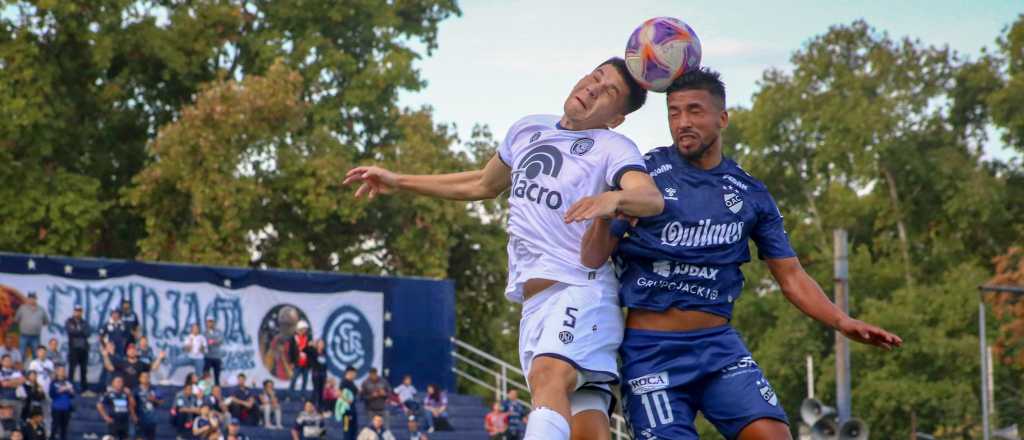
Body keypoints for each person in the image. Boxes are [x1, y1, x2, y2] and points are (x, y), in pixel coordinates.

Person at [344, 57, 663, 440]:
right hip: (534, 305)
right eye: (595, 77)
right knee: (586, 424)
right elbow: (480, 183)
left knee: (549, 377)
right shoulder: (528, 128)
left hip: (581, 289)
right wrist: (398, 180)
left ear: (617, 118)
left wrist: (614, 200)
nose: (593, 87)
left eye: (609, 91)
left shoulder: (613, 146)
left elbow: (649, 198)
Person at [580, 67, 904, 440]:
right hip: (651, 354)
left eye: (695, 111)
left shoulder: (749, 192)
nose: (683, 122)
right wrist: (607, 211)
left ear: (722, 118)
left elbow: (792, 277)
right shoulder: (643, 177)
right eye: (674, 112)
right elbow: (592, 256)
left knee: (773, 435)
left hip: (719, 349)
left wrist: (842, 321)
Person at [96, 376, 134, 440]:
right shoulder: (108, 394)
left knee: (126, 437)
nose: (119, 383)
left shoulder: (125, 394)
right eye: (117, 382)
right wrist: (105, 417)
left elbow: (132, 405)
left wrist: (130, 394)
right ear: (113, 383)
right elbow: (99, 405)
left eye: (121, 382)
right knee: (111, 437)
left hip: (125, 420)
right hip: (114, 420)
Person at [64, 305, 90, 393]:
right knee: (72, 370)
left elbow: (88, 333)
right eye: (76, 311)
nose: (77, 312)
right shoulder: (69, 321)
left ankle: (84, 389)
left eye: (79, 311)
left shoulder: (84, 322)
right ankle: (70, 388)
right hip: (73, 349)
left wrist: (77, 331)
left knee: (84, 370)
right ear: (73, 312)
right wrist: (80, 331)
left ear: (81, 312)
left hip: (84, 349)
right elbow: (70, 331)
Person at [13, 293, 48, 357]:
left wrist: (37, 324)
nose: (32, 300)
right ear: (28, 299)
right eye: (30, 298)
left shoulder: (41, 309)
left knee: (36, 354)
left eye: (33, 298)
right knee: (21, 354)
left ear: (36, 299)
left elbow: (46, 321)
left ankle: (35, 367)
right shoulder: (22, 308)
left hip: (35, 336)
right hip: (24, 335)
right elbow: (16, 320)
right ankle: (21, 367)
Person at [133, 371, 161, 440]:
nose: (146, 378)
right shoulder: (135, 390)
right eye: (144, 377)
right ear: (140, 378)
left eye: (147, 377)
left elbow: (161, 401)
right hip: (140, 418)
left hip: (151, 419)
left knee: (151, 437)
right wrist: (134, 415)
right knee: (139, 437)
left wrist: (154, 399)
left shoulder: (154, 389)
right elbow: (131, 405)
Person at [48, 365, 73, 440]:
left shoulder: (68, 382)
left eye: (64, 371)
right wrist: (60, 390)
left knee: (64, 429)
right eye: (61, 370)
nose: (62, 372)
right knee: (55, 427)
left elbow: (72, 395)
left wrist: (70, 391)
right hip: (56, 408)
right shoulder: (53, 382)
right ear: (57, 372)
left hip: (66, 408)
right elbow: (51, 394)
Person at [287, 321, 311, 394]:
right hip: (297, 363)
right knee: (294, 379)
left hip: (306, 363)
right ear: (299, 329)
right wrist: (291, 362)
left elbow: (310, 351)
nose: (304, 331)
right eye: (303, 329)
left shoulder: (308, 338)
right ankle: (290, 395)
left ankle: (302, 395)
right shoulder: (293, 338)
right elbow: (290, 351)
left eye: (305, 329)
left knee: (305, 380)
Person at [338, 367, 359, 440]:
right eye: (355, 374)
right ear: (350, 373)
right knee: (347, 429)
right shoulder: (344, 382)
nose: (356, 376)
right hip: (346, 411)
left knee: (354, 429)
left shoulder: (352, 382)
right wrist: (346, 400)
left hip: (352, 409)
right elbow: (339, 393)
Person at [203, 318, 224, 387]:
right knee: (206, 376)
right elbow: (205, 342)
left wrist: (211, 341)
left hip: (217, 357)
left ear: (214, 323)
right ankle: (206, 391)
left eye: (211, 322)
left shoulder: (219, 332)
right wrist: (214, 341)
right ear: (206, 323)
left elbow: (220, 341)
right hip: (207, 357)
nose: (210, 323)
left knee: (217, 376)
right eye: (208, 322)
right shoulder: (204, 333)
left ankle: (217, 392)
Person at [308, 339, 327, 409]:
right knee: (316, 389)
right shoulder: (314, 351)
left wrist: (325, 375)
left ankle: (320, 406)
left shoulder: (324, 352)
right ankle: (312, 404)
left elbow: (325, 364)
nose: (322, 345)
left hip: (323, 374)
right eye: (320, 343)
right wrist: (311, 347)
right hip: (316, 373)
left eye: (323, 343)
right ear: (317, 344)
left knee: (321, 391)